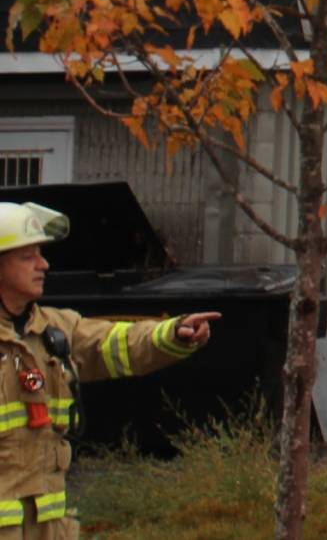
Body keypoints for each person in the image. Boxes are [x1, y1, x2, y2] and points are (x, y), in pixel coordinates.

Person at [0, 201, 216, 538]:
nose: (43, 264)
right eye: (27, 257)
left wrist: (172, 333)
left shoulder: (56, 331)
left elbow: (116, 342)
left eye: (40, 254)